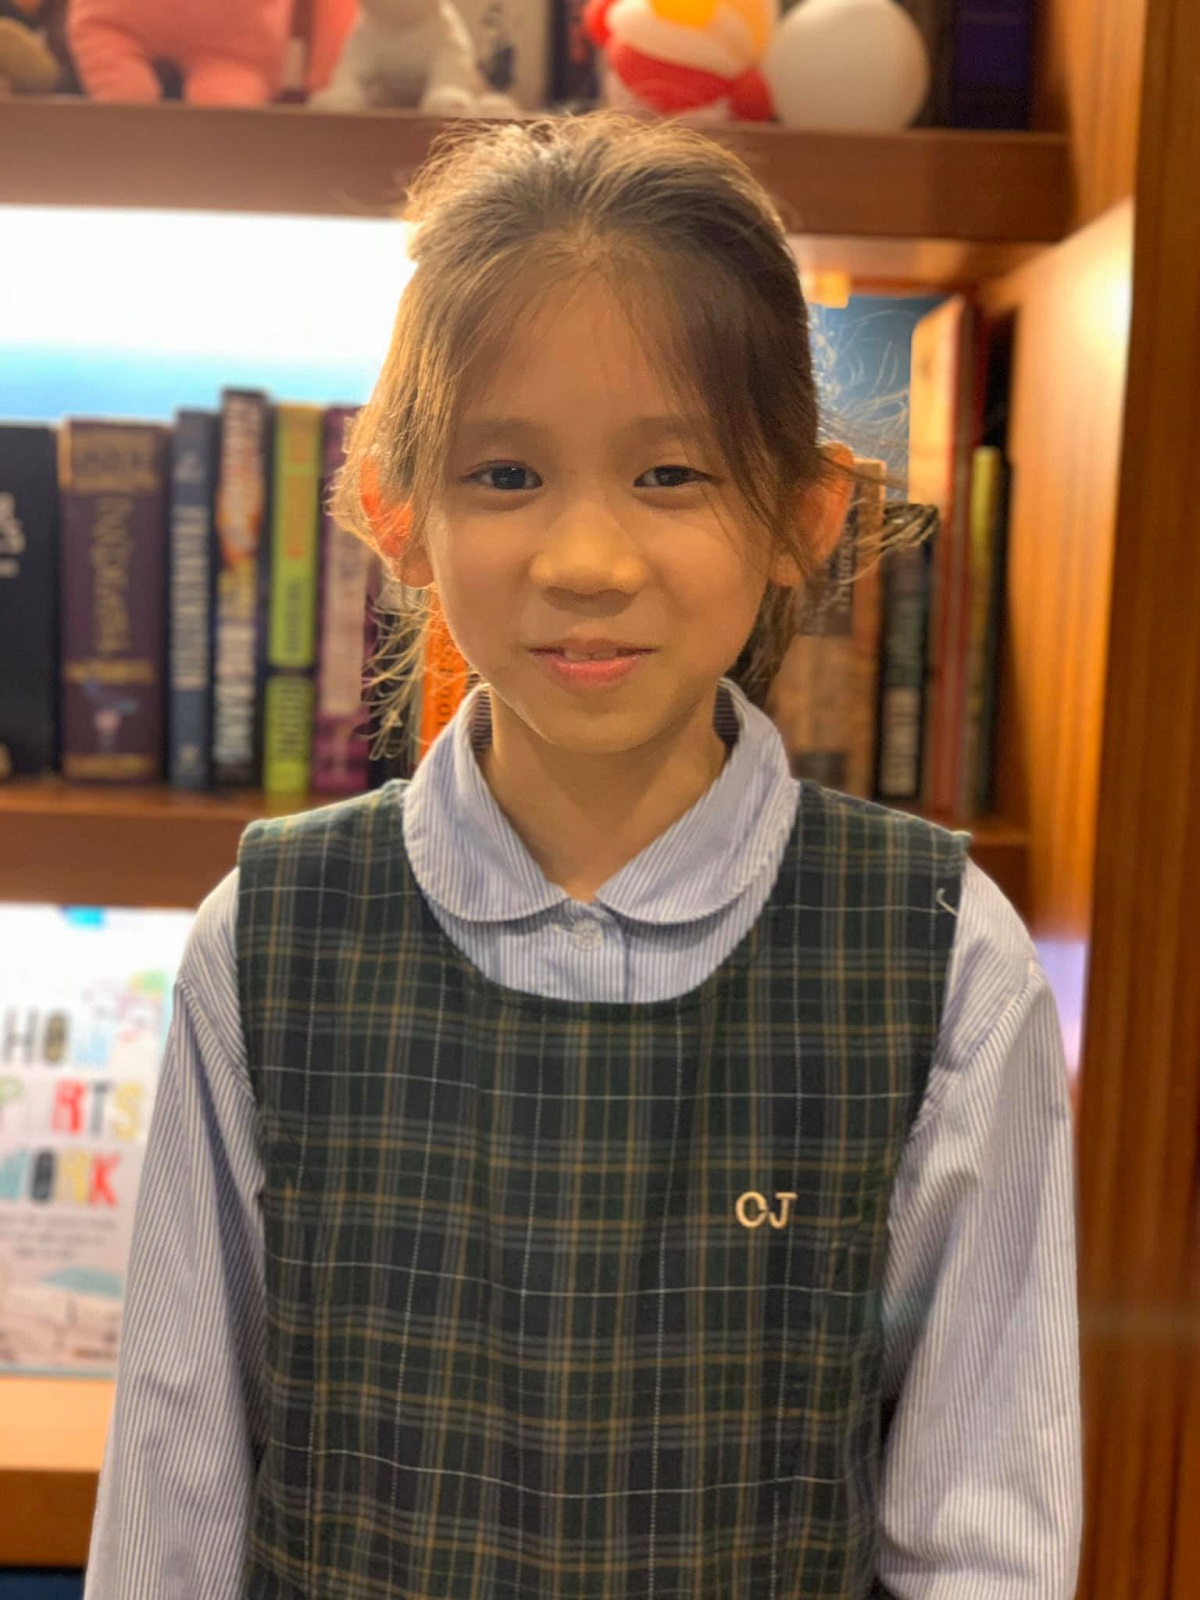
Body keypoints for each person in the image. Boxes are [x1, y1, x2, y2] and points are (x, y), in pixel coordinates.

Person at [85, 111, 1080, 1599]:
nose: (588, 561)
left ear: (806, 515)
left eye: (672, 474)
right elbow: (173, 1504)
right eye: (505, 475)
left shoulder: (940, 960)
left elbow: (983, 1536)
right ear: (394, 512)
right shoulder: (272, 939)